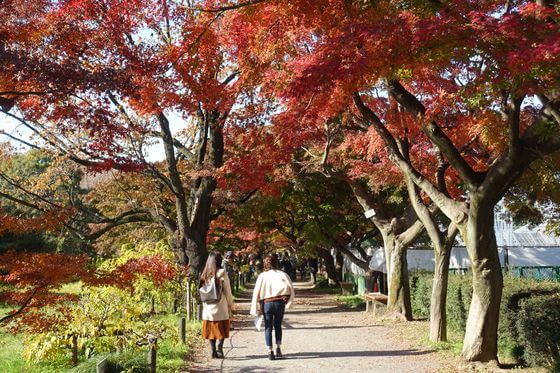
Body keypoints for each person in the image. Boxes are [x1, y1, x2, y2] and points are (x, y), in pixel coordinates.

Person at [250, 254, 295, 360]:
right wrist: (288, 300)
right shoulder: (283, 274)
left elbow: (256, 291)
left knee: (268, 327)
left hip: (267, 303)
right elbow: (290, 288)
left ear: (265, 264)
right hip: (279, 302)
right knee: (278, 325)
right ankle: (278, 348)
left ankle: (270, 351)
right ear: (276, 263)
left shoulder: (262, 276)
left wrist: (255, 305)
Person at [200, 252, 234, 359]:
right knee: (222, 327)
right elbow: (227, 290)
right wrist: (230, 303)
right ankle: (220, 348)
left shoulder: (204, 274)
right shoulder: (222, 272)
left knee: (210, 328)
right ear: (219, 261)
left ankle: (213, 350)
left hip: (208, 306)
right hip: (220, 305)